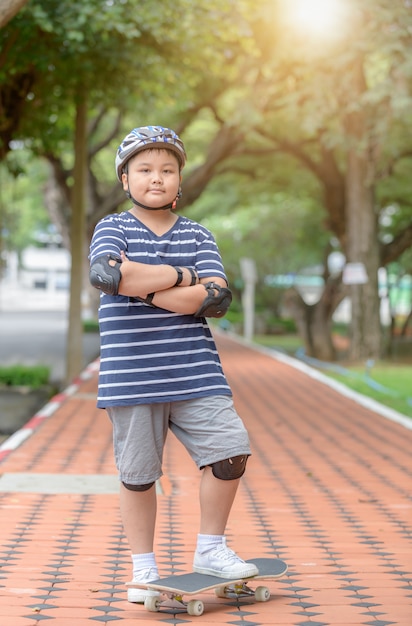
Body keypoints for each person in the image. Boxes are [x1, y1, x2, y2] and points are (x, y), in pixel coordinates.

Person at [89, 125, 258, 603]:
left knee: (230, 451)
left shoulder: (199, 233)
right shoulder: (113, 227)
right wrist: (184, 279)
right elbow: (106, 275)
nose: (156, 178)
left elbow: (218, 298)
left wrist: (140, 282)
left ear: (180, 178)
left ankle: (210, 548)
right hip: (132, 374)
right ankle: (143, 568)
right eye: (144, 170)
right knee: (140, 474)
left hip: (196, 370)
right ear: (125, 179)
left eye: (167, 170)